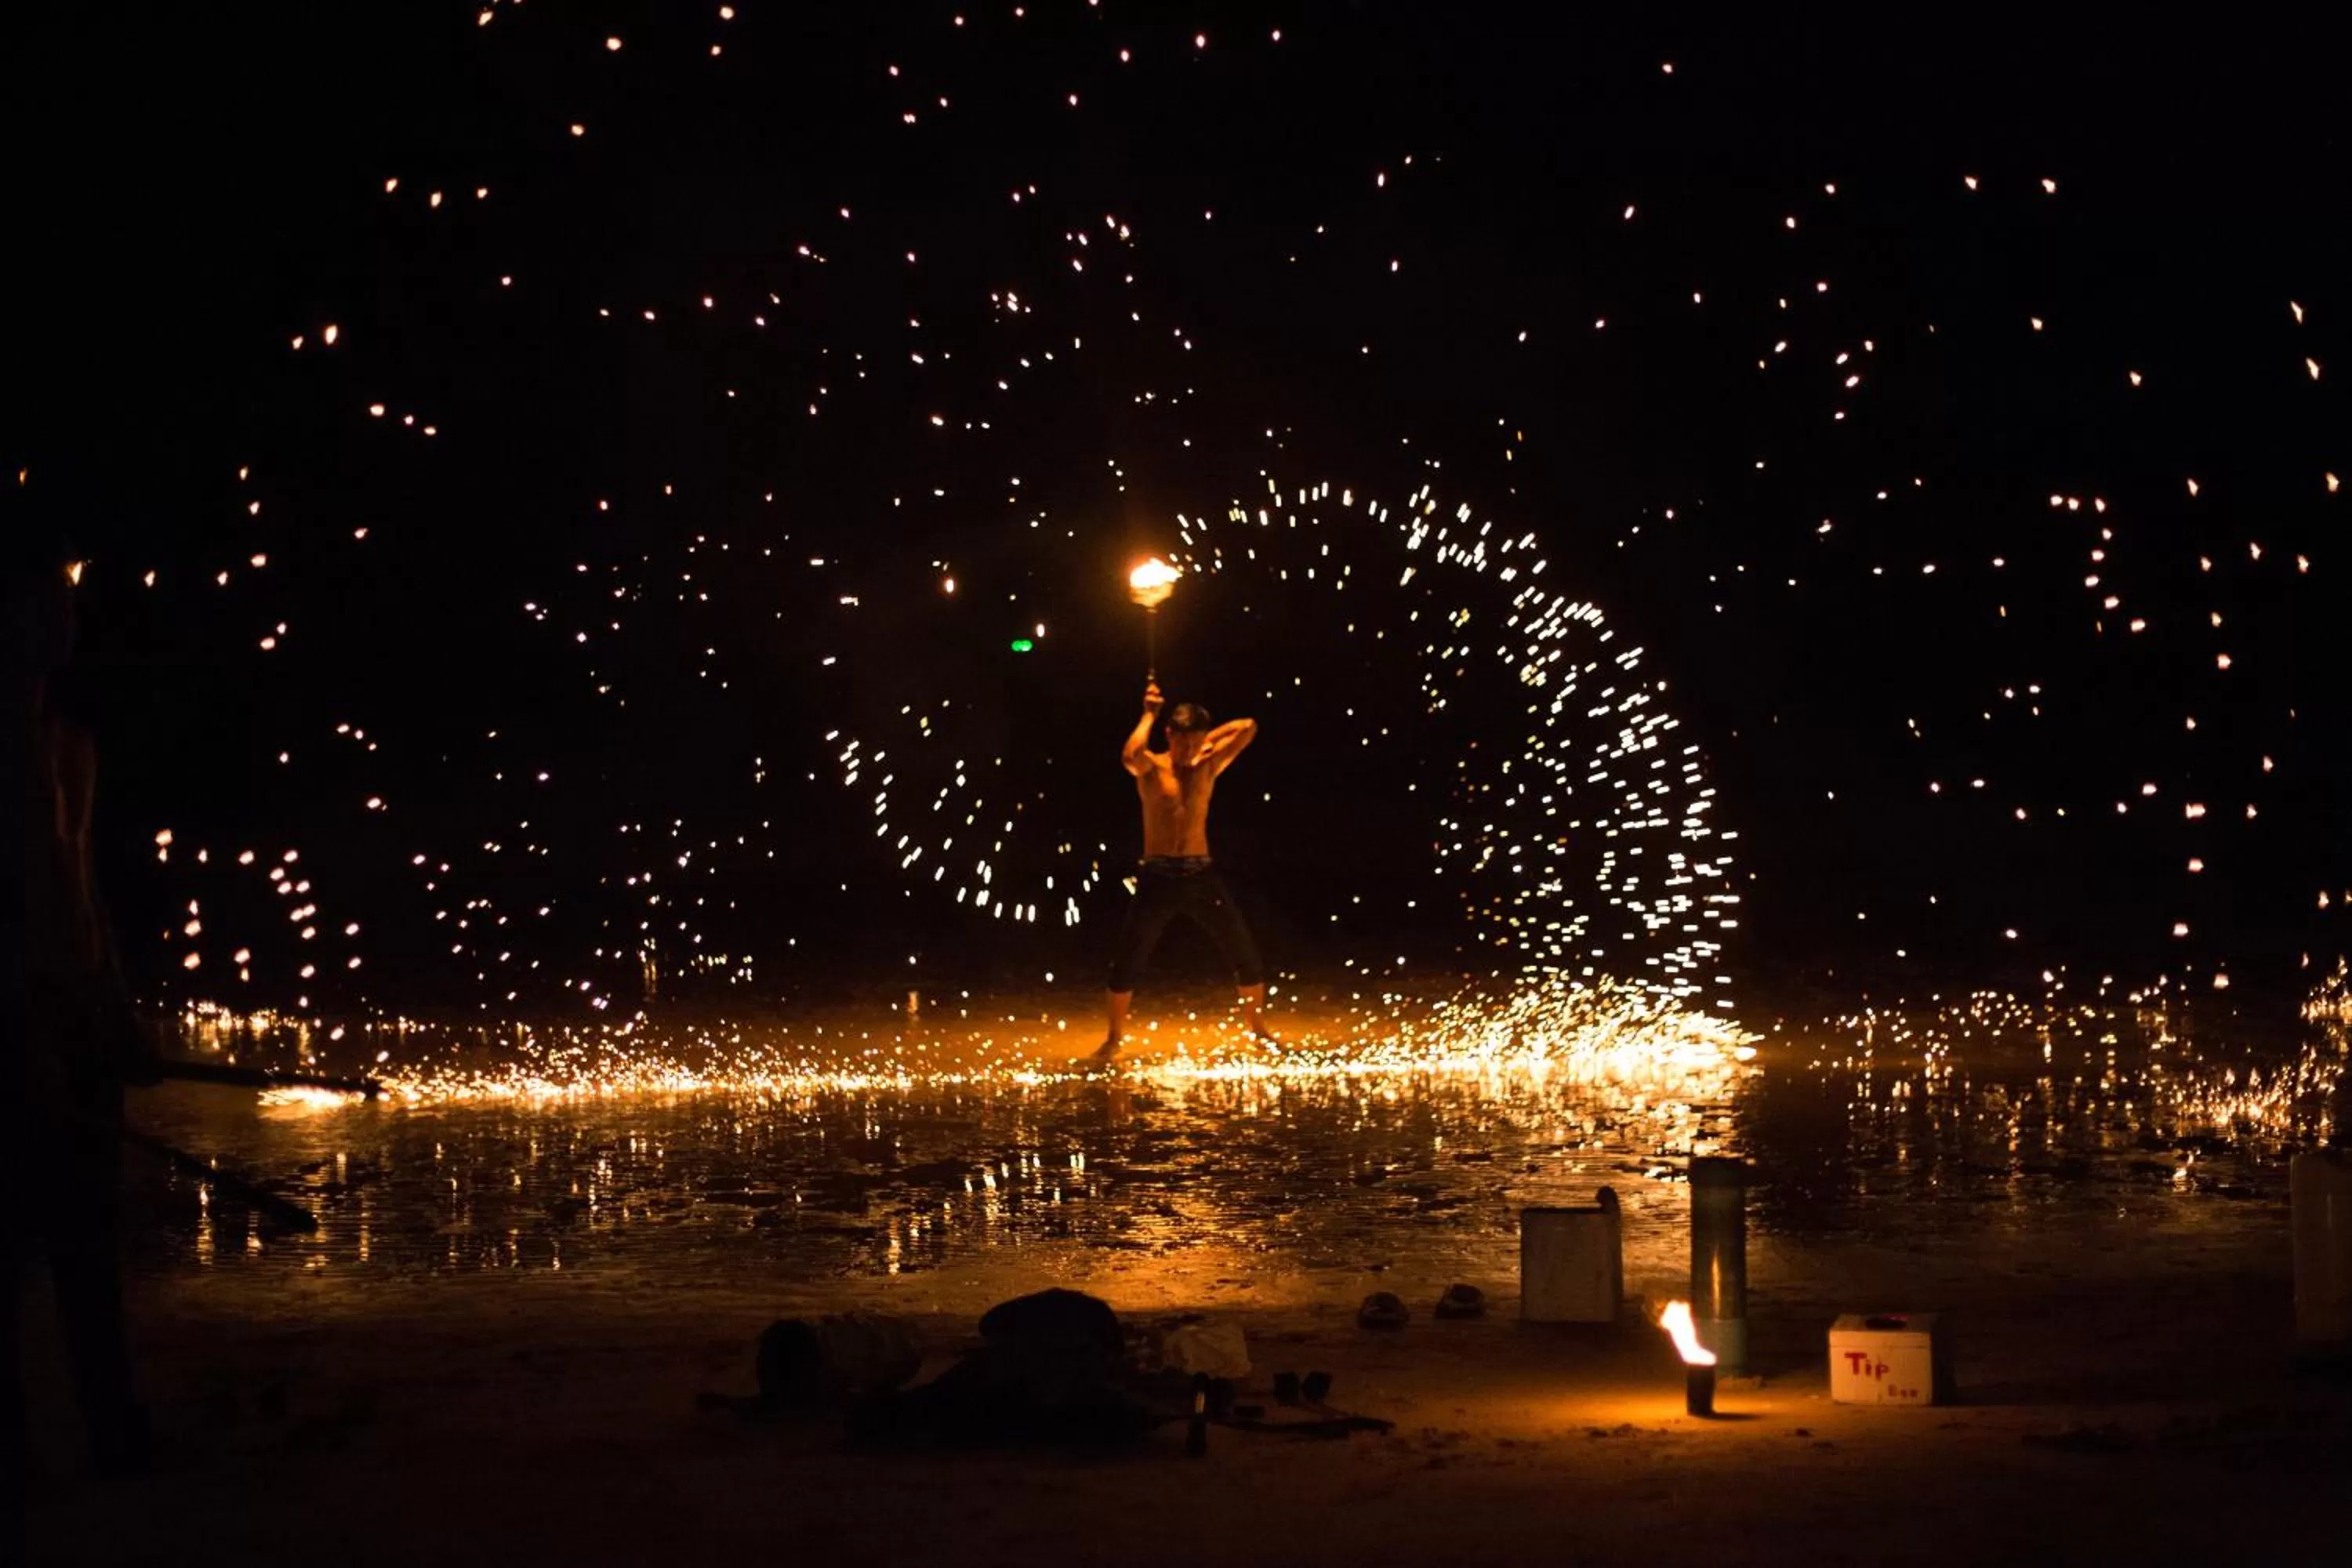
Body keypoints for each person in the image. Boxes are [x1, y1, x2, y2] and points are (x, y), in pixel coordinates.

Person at [3, 554, 158, 1497]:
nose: (61, 611)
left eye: (64, 593)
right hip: (13, 1010)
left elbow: (84, 895)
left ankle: (117, 1435)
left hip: (75, 1004)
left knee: (89, 1237)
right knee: (15, 1243)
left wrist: (120, 1011)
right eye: (38, 592)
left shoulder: (70, 740)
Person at [1095, 680, 1271, 1060]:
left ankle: (1259, 1032)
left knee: (1245, 954)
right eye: (1183, 741)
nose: (1189, 749)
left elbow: (1249, 726)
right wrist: (1148, 714)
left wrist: (1208, 741)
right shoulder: (1152, 768)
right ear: (1169, 736)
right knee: (1128, 960)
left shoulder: (1209, 764)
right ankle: (1113, 1039)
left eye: (1196, 742)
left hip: (1201, 875)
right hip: (1158, 876)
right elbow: (1130, 755)